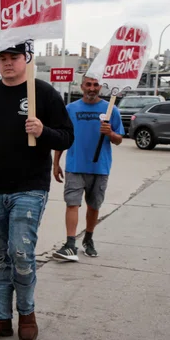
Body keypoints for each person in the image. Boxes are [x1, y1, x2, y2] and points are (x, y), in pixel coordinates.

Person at [0, 42, 73, 340]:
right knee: (0, 257)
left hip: (30, 188)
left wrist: (43, 131)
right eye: (3, 58)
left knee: (21, 253)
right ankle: (0, 319)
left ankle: (27, 313)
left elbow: (67, 137)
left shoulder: (43, 93)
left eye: (14, 57)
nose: (8, 63)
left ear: (27, 59)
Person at [52, 73, 122, 261]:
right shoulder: (70, 109)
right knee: (72, 203)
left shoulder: (111, 110)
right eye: (88, 84)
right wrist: (56, 162)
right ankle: (70, 243)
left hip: (100, 166)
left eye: (96, 85)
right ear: (81, 86)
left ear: (101, 87)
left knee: (94, 206)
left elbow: (119, 140)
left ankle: (88, 239)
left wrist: (110, 133)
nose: (92, 88)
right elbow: (62, 136)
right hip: (75, 165)